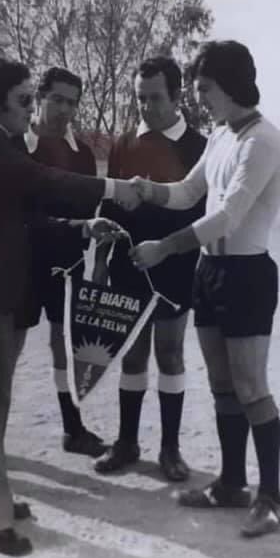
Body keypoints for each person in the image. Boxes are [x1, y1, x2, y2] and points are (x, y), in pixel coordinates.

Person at [0, 57, 140, 557]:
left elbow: (27, 219)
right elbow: (45, 183)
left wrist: (81, 228)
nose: (29, 109)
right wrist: (112, 189)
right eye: (23, 100)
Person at [129, 40, 280, 538]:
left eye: (205, 89)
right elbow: (189, 193)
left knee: (250, 386)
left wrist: (164, 247)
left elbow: (226, 218)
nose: (199, 99)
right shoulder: (221, 134)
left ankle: (270, 497)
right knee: (222, 386)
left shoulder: (263, 140)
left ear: (233, 85)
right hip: (210, 274)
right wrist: (148, 189)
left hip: (247, 276)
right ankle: (232, 484)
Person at [92, 57, 207, 482]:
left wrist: (174, 250)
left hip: (176, 263)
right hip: (129, 265)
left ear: (178, 97)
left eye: (155, 98)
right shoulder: (123, 145)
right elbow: (109, 208)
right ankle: (126, 443)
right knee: (133, 355)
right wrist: (102, 263)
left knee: (170, 354)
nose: (147, 106)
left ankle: (170, 449)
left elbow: (203, 212)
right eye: (140, 98)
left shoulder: (200, 147)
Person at [16, 66, 108, 458]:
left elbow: (86, 205)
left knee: (63, 346)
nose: (64, 109)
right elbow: (17, 210)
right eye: (57, 99)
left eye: (72, 102)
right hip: (17, 264)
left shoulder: (82, 154)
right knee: (8, 347)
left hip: (66, 263)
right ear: (39, 97)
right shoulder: (15, 144)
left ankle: (73, 429)